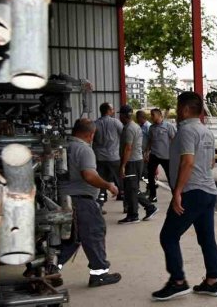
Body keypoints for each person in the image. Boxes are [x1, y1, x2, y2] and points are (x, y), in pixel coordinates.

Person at [152, 91, 217, 301]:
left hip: (192, 192)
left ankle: (178, 281)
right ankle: (212, 282)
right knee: (207, 238)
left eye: (177, 107)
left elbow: (188, 162)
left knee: (168, 236)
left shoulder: (186, 131)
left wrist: (177, 192)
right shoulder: (206, 131)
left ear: (184, 109)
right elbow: (211, 162)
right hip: (209, 191)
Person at [57, 118, 122, 287]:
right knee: (94, 234)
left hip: (63, 199)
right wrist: (108, 185)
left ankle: (49, 269)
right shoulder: (84, 150)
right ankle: (99, 274)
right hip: (81, 201)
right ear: (91, 134)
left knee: (72, 238)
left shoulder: (64, 146)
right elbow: (89, 175)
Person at [118, 105, 157, 224]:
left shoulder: (129, 128)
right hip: (135, 161)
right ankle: (136, 213)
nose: (119, 117)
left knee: (132, 189)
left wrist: (123, 165)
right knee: (132, 189)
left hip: (132, 162)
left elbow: (128, 148)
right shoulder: (134, 126)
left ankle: (142, 211)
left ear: (123, 116)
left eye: (120, 115)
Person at [92, 102, 123, 209]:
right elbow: (124, 135)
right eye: (112, 109)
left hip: (100, 157)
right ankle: (125, 201)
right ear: (108, 111)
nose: (113, 111)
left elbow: (91, 139)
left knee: (101, 181)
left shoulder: (95, 124)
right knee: (119, 180)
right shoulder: (116, 122)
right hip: (114, 157)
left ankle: (100, 204)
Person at [145, 108, 176, 202]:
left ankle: (175, 196)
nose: (151, 117)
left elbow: (174, 140)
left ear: (159, 115)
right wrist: (146, 152)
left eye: (153, 115)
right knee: (150, 175)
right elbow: (150, 140)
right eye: (151, 115)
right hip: (154, 155)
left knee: (170, 177)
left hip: (166, 156)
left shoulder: (168, 126)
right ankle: (153, 195)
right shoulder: (152, 128)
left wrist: (175, 154)